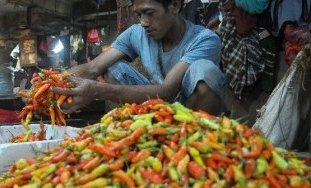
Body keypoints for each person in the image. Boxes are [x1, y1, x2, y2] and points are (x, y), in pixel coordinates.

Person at [52, 0, 226, 115]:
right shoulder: (138, 33)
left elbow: (167, 91)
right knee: (113, 67)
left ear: (174, 5)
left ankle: (190, 139)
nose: (143, 22)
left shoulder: (205, 39)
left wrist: (98, 91)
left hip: (191, 112)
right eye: (139, 15)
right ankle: (145, 127)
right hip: (156, 109)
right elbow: (92, 68)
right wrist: (49, 87)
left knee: (206, 71)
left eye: (149, 13)